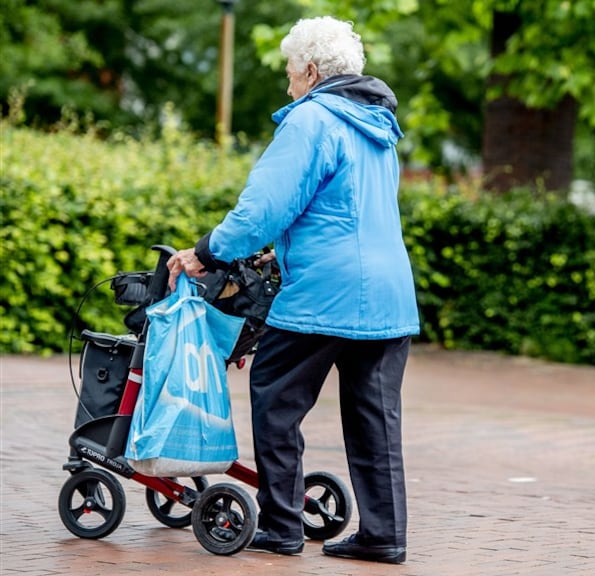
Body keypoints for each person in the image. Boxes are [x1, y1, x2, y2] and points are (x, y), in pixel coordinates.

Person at [167, 15, 418, 565]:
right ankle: (385, 535)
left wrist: (207, 251)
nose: (288, 85)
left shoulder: (312, 120)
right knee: (375, 418)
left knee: (276, 395)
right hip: (390, 295)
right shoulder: (377, 125)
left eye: (289, 73)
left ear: (309, 70)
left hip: (326, 293)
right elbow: (336, 210)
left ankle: (281, 524)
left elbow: (263, 207)